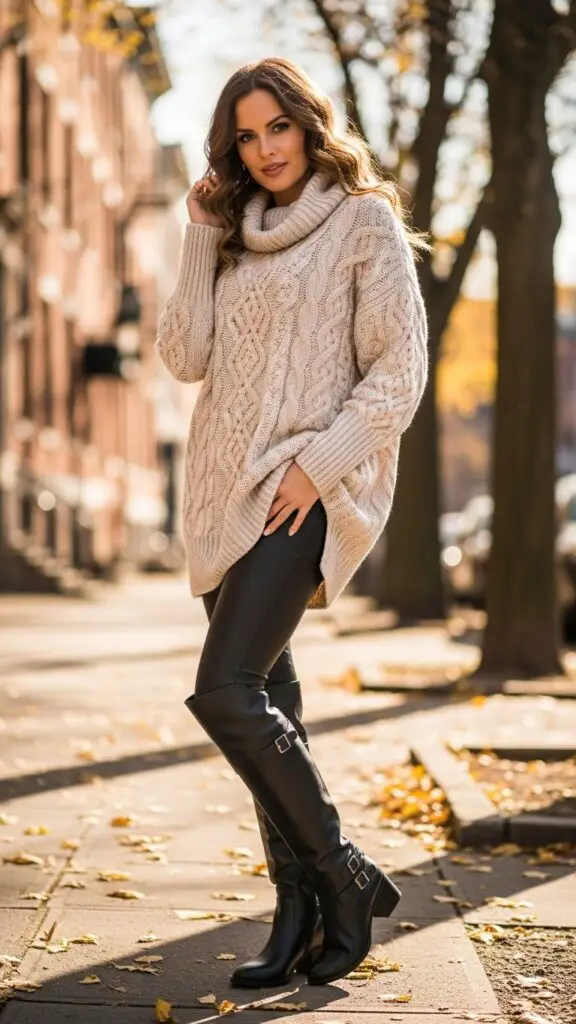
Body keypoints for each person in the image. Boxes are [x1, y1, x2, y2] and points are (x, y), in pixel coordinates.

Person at [155, 56, 428, 988]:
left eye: (278, 127)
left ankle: (345, 880)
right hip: (221, 498)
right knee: (274, 710)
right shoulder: (231, 236)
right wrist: (196, 234)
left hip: (305, 489)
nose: (266, 148)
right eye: (247, 134)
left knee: (227, 691)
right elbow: (185, 356)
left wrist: (317, 468)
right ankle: (298, 914)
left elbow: (398, 374)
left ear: (310, 125)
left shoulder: (364, 221)